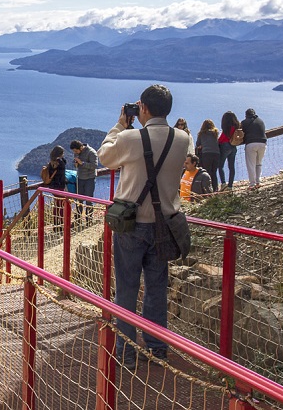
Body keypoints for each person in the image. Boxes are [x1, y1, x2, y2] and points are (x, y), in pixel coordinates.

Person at [97, 84, 189, 370]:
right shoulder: (183, 138)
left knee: (126, 288)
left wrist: (120, 124)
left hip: (131, 225)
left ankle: (127, 351)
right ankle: (157, 349)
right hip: (165, 225)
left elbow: (104, 156)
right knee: (156, 288)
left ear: (143, 109)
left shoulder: (130, 137)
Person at [70, 140, 98, 223]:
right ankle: (78, 220)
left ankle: (89, 220)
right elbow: (76, 162)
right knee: (79, 200)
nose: (75, 152)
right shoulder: (77, 153)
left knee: (89, 200)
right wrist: (75, 163)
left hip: (89, 178)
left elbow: (94, 166)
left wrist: (82, 163)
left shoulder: (91, 152)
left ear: (81, 147)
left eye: (76, 151)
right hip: (80, 178)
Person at [242, 108, 267, 190]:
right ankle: (258, 182)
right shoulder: (261, 121)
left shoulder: (244, 122)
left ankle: (252, 184)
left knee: (251, 164)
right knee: (258, 163)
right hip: (263, 143)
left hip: (251, 144)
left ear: (246, 115)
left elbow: (240, 133)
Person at [217, 111, 241, 191]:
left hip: (225, 146)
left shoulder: (227, 127)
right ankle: (230, 185)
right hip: (233, 147)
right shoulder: (236, 127)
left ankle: (223, 183)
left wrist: (217, 142)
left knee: (220, 166)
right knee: (231, 167)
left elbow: (222, 138)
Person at [195, 119, 220, 192]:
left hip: (206, 153)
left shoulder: (202, 133)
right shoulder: (215, 133)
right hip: (216, 153)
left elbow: (198, 144)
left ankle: (208, 189)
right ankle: (215, 189)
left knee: (207, 172)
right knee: (214, 172)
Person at [46, 145, 67, 228]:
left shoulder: (51, 163)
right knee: (61, 205)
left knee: (56, 205)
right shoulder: (60, 163)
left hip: (53, 186)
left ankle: (55, 223)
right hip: (60, 186)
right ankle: (61, 223)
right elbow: (64, 164)